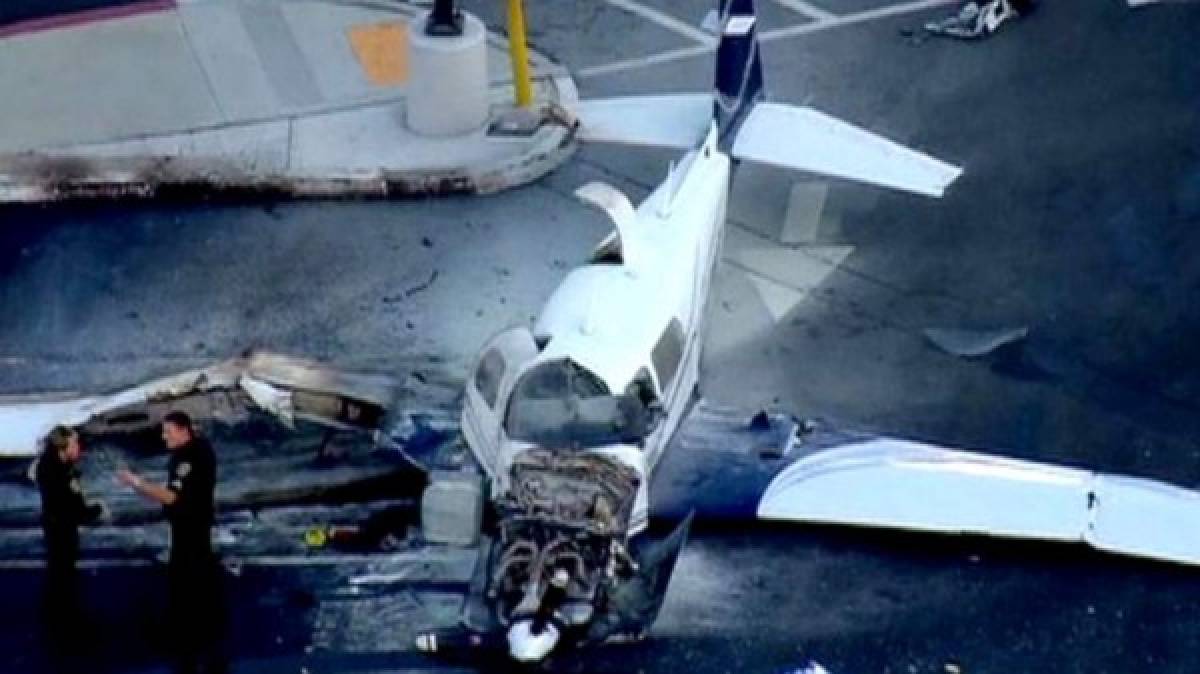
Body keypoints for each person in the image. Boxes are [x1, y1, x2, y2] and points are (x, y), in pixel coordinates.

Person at [118, 411, 224, 674]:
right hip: (193, 525)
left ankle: (191, 641)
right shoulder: (198, 449)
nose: (164, 436)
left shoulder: (188, 458)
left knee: (187, 580)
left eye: (168, 431)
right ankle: (200, 634)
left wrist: (137, 483)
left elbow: (171, 497)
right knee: (194, 578)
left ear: (183, 430)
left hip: (190, 526)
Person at [36, 425, 104, 633]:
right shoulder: (54, 470)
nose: (79, 448)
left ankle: (62, 615)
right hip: (60, 526)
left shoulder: (61, 466)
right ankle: (62, 619)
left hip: (62, 524)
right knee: (61, 570)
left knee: (63, 570)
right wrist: (90, 513)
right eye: (74, 444)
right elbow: (67, 503)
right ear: (62, 446)